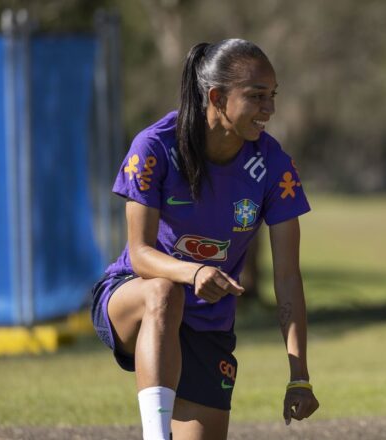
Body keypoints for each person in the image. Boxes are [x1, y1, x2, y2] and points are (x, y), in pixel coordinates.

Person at [90, 39, 319, 440]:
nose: (270, 109)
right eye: (256, 96)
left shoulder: (274, 166)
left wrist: (299, 374)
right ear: (216, 96)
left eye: (273, 96)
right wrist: (193, 273)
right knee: (165, 292)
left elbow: (287, 277)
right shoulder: (155, 146)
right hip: (134, 298)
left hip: (208, 326)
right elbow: (141, 254)